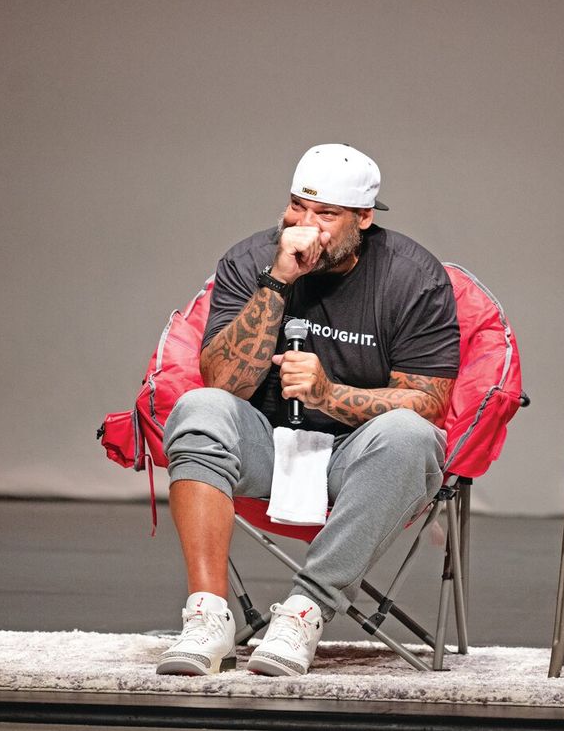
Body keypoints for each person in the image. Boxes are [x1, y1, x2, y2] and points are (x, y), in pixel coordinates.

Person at [156, 143, 460, 677]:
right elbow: (223, 383)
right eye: (297, 206)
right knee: (199, 407)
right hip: (266, 446)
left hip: (358, 458)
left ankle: (303, 612)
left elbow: (428, 403)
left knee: (412, 436)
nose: (305, 225)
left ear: (363, 218)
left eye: (326, 214)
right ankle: (207, 617)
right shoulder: (252, 259)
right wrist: (278, 281)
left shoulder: (412, 277)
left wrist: (327, 395)